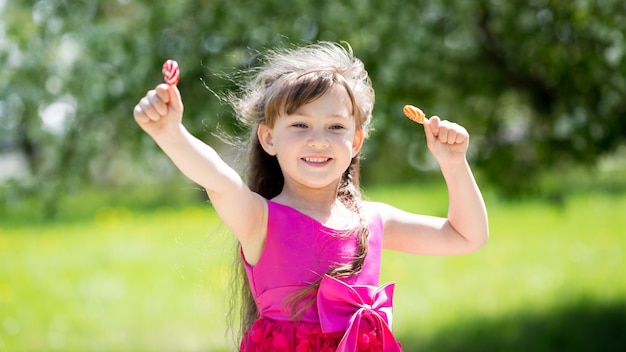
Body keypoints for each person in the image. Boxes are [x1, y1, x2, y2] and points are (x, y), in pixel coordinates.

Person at [133, 41, 489, 352]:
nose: (318, 139)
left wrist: (454, 163)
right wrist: (171, 134)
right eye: (300, 125)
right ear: (269, 139)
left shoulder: (373, 221)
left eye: (335, 127)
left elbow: (466, 236)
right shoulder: (260, 219)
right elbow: (219, 179)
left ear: (355, 142)